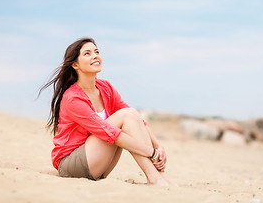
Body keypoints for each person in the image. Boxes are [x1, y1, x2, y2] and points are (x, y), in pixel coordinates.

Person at [39, 37, 174, 186]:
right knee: (126, 116)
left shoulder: (105, 87)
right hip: (73, 163)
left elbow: (136, 120)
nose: (95, 55)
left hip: (98, 163)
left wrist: (158, 146)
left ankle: (158, 176)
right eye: (87, 53)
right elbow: (110, 133)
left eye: (96, 51)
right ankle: (154, 178)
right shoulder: (73, 98)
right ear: (75, 65)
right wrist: (151, 152)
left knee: (130, 114)